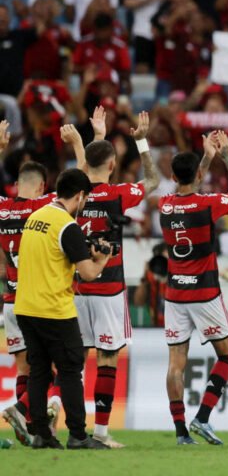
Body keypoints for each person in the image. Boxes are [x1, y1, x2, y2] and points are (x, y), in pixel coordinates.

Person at [70, 111, 160, 449]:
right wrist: (141, 140)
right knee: (108, 359)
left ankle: (60, 420)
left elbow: (87, 169)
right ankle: (101, 434)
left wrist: (95, 138)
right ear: (112, 166)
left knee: (72, 361)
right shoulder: (118, 194)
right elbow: (152, 181)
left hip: (76, 288)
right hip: (108, 289)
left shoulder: (71, 197)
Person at [159, 131, 228, 446]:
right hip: (205, 293)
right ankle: (203, 417)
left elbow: (189, 184)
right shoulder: (208, 204)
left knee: (175, 364)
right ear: (198, 175)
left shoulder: (165, 205)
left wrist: (206, 157)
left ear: (171, 176)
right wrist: (224, 157)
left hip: (174, 295)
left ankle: (181, 433)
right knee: (227, 356)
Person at [14, 168, 110, 450]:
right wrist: (102, 259)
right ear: (80, 195)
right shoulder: (67, 226)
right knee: (70, 370)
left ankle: (42, 434)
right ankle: (79, 435)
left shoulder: (36, 217)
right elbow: (89, 273)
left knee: (39, 371)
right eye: (85, 199)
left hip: (25, 307)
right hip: (54, 309)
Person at [0, 149, 52, 445]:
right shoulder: (44, 206)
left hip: (10, 300)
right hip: (35, 302)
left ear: (16, 184)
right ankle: (23, 412)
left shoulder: (3, 209)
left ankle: (29, 430)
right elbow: (80, 183)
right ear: (42, 186)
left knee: (23, 366)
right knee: (51, 367)